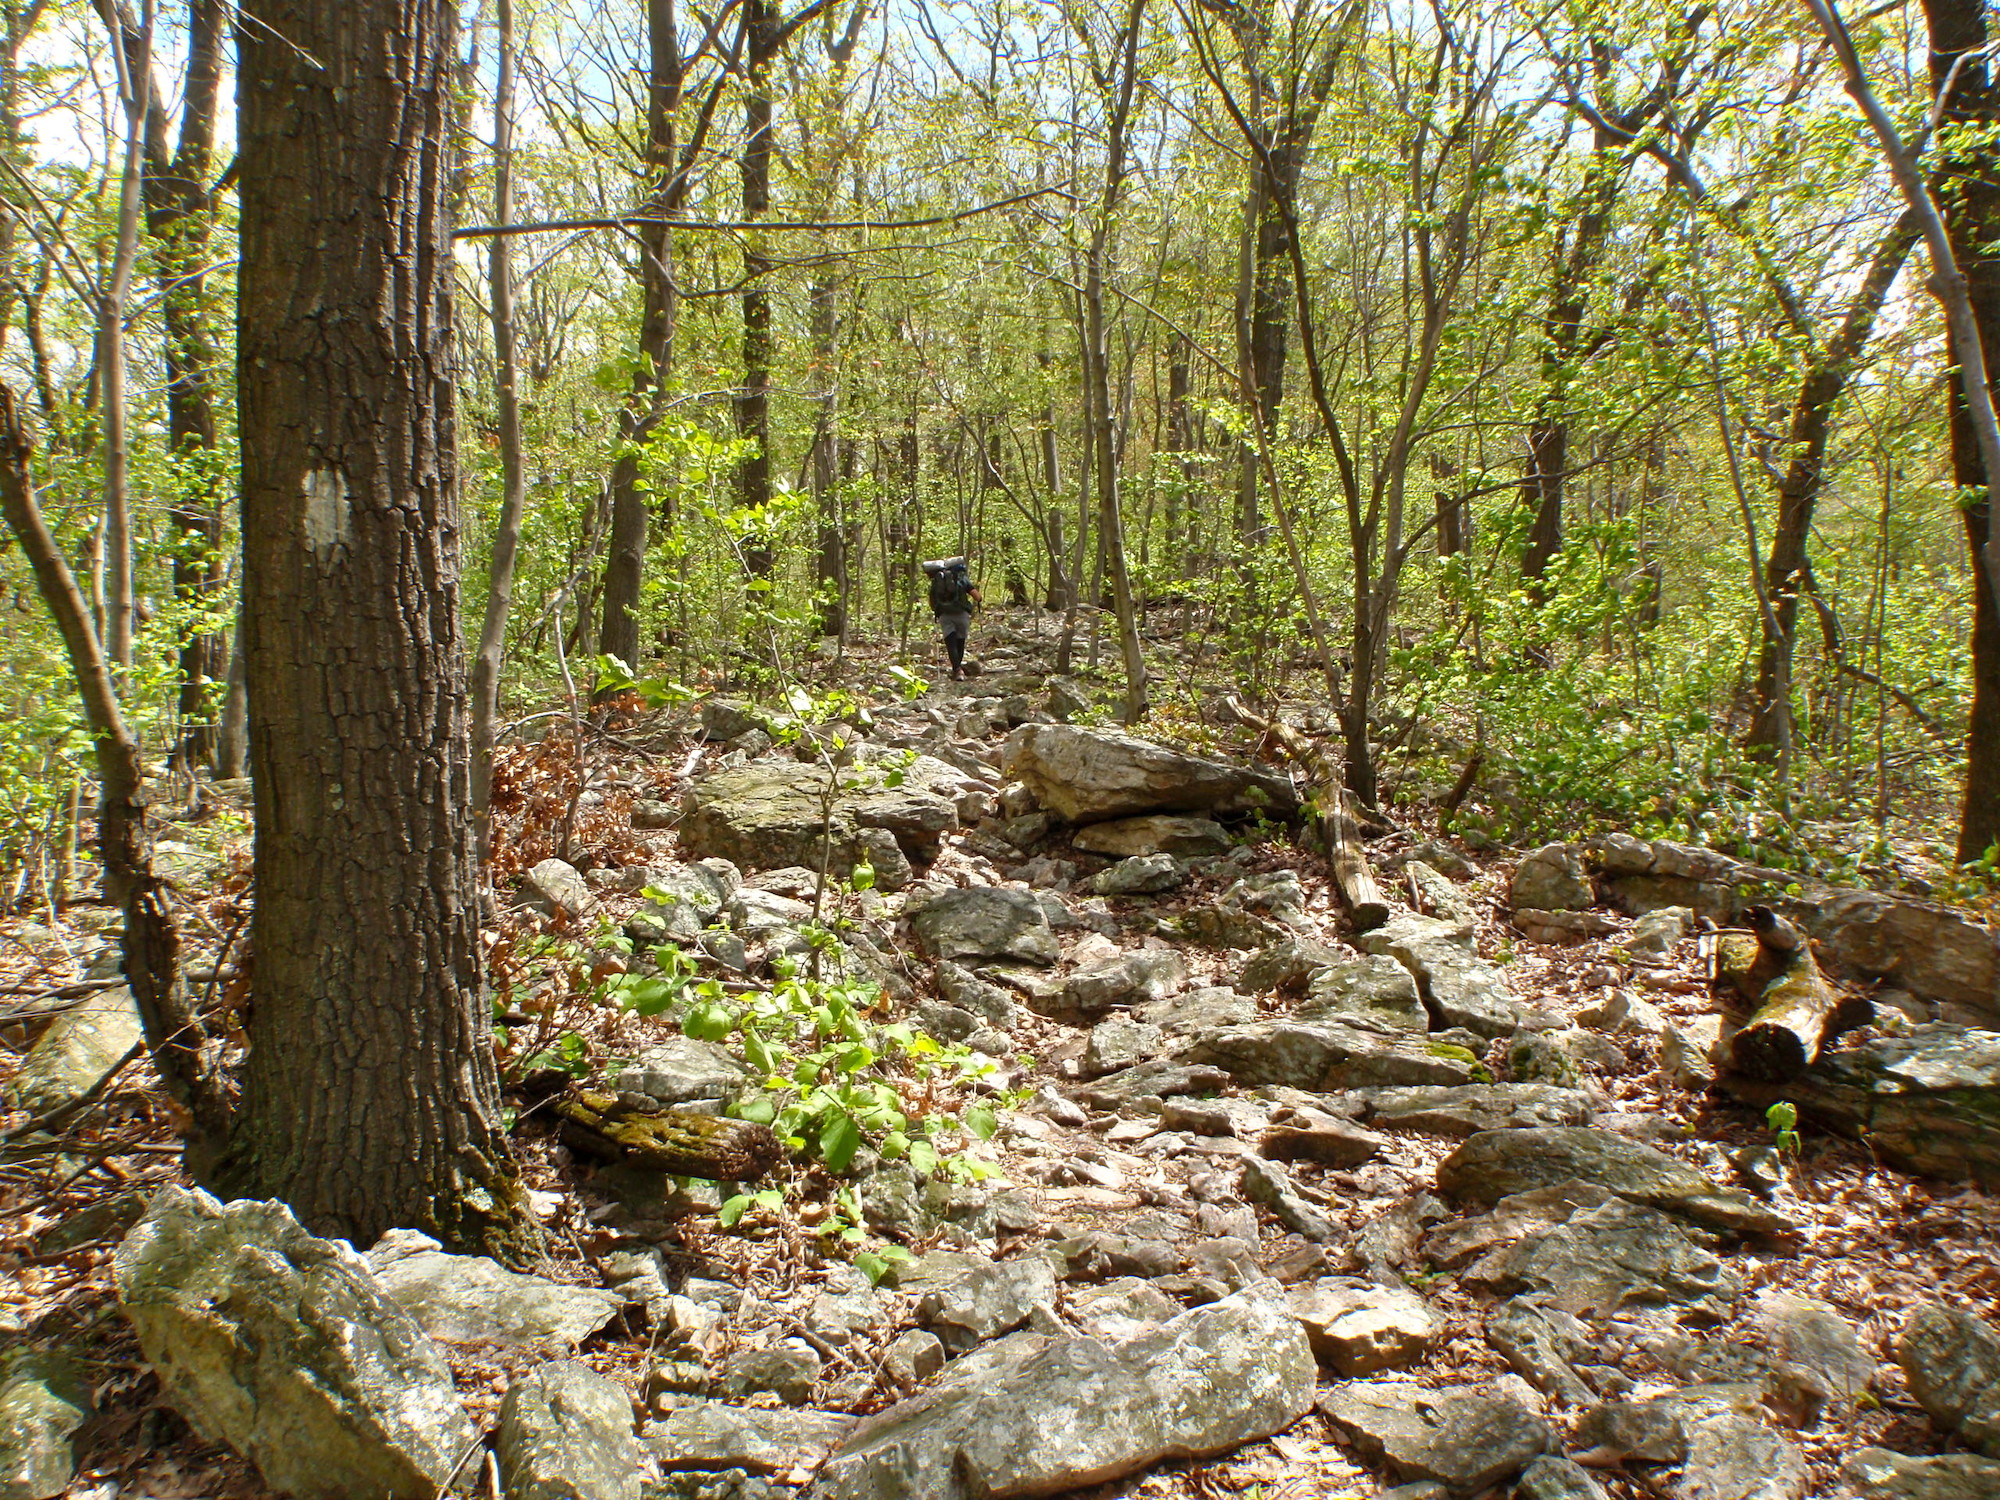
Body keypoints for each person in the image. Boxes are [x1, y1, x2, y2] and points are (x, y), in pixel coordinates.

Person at [922, 555, 980, 680]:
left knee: (950, 642)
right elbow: (976, 596)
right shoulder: (962, 579)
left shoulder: (937, 581)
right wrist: (979, 599)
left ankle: (957, 670)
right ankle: (958, 669)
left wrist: (938, 610)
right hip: (961, 613)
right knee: (960, 641)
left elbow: (932, 601)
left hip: (945, 614)